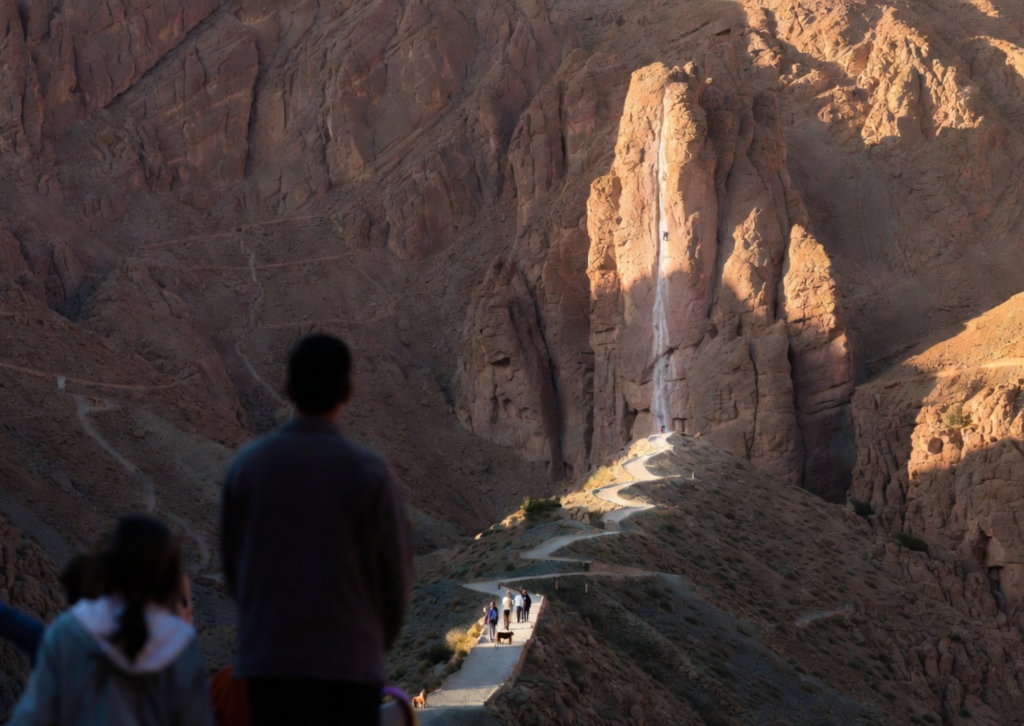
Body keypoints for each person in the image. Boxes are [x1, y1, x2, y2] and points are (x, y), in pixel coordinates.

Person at [220, 334, 414, 726]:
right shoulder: (370, 472)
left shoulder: (247, 468)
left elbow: (233, 569)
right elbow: (396, 572)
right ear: (348, 391)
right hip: (350, 666)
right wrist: (374, 644)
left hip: (270, 669)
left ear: (288, 389)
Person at [9, 515, 213, 725]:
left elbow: (31, 716)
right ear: (169, 578)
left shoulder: (70, 628)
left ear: (108, 566)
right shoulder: (180, 642)